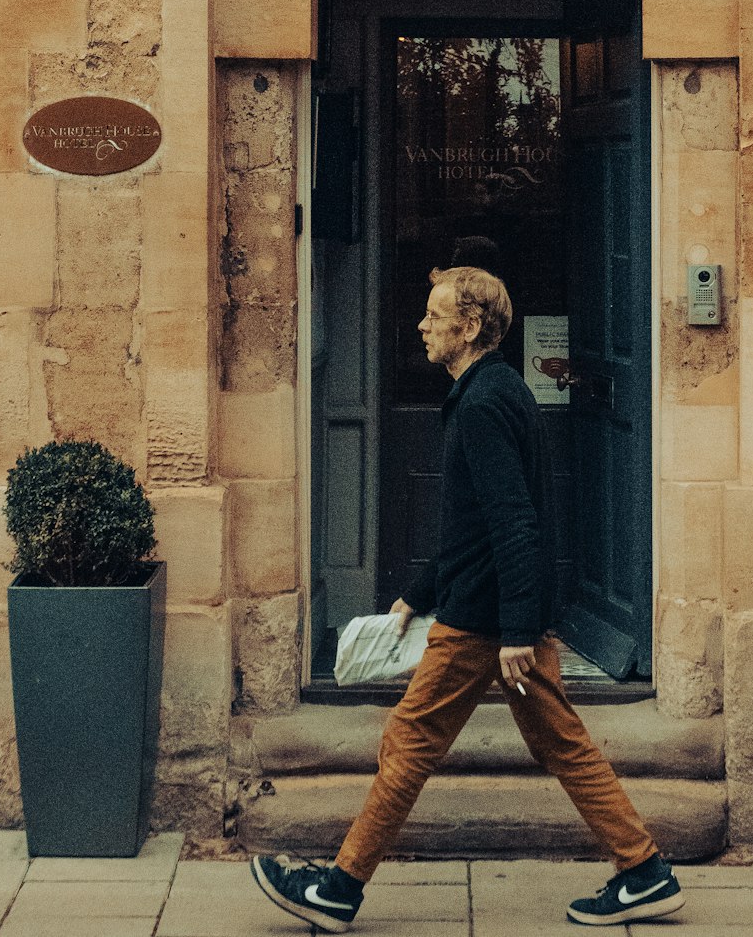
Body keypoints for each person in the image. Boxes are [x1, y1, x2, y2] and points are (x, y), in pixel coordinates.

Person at [251, 266, 684, 930]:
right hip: (499, 613)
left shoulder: (482, 405)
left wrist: (513, 631)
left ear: (472, 326)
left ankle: (338, 889)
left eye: (434, 315)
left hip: (482, 624)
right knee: (563, 743)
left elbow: (514, 520)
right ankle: (645, 870)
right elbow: (475, 525)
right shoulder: (496, 390)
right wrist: (419, 594)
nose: (421, 326)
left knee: (409, 739)